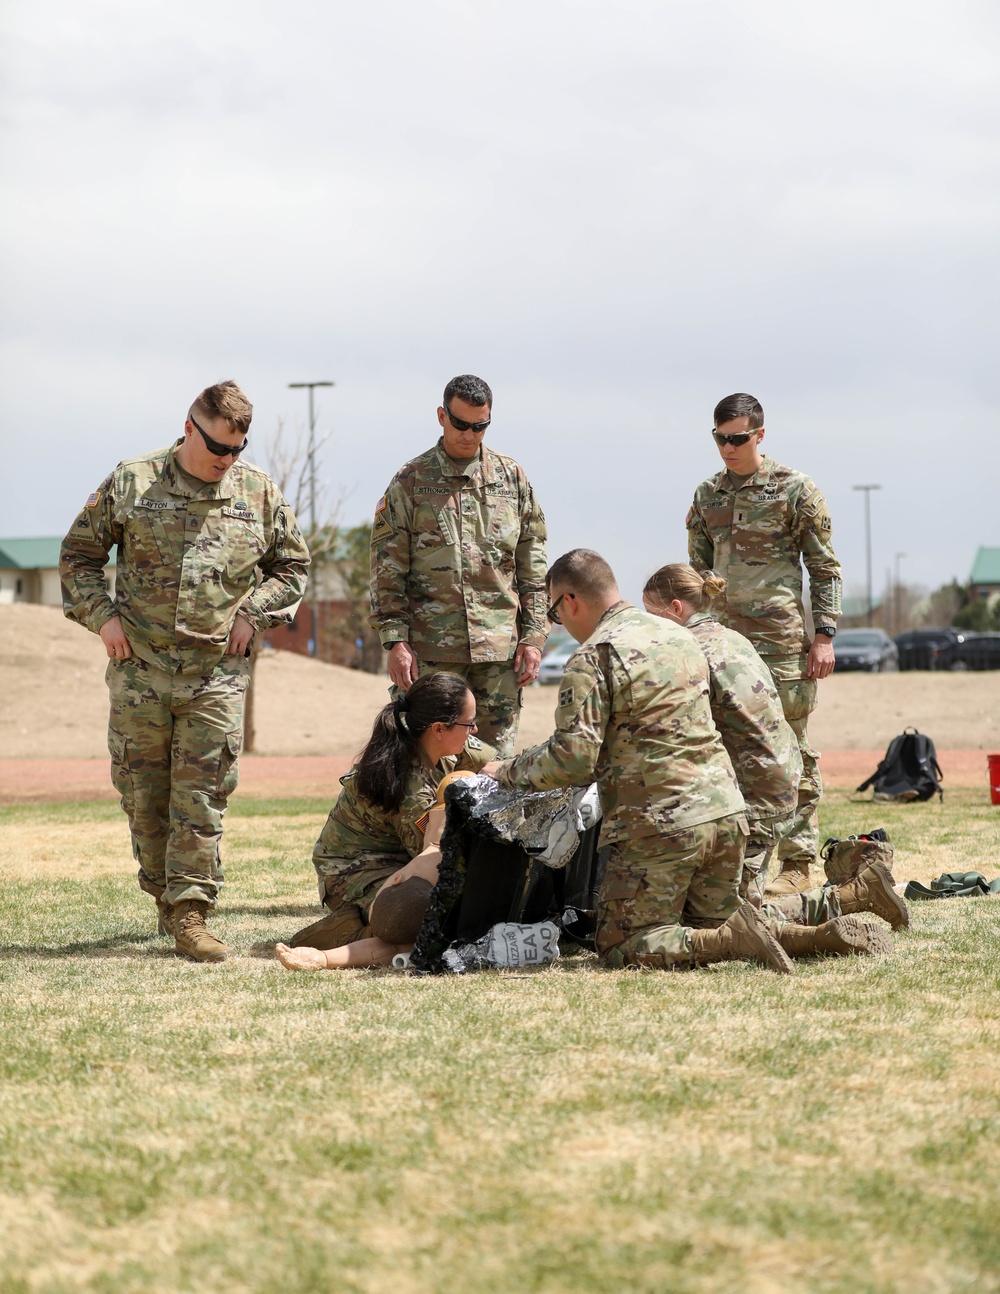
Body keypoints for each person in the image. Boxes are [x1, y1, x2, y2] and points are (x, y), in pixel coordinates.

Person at [59, 380, 310, 961]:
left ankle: (192, 910)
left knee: (201, 797)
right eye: (219, 447)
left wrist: (254, 612)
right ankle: (164, 896)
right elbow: (78, 557)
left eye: (237, 450)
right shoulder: (132, 480)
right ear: (189, 427)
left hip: (216, 673)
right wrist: (104, 619)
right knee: (143, 797)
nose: (227, 460)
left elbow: (291, 568)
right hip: (140, 666)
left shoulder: (258, 492)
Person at [484, 548, 795, 974]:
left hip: (662, 827)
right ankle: (823, 922)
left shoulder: (595, 656)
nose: (561, 624)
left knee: (620, 945)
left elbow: (573, 760)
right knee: (703, 927)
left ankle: (735, 937)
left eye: (556, 613)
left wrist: (506, 769)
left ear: (570, 600)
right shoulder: (679, 636)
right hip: (726, 818)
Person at [642, 563, 895, 960]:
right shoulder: (732, 638)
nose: (649, 627)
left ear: (675, 608)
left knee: (718, 924)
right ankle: (858, 893)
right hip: (779, 785)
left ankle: (837, 913)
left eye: (651, 615)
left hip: (752, 800)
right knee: (727, 912)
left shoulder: (687, 650)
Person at [686, 392, 842, 896]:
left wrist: (824, 636)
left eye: (738, 438)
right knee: (728, 748)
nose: (728, 448)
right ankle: (739, 866)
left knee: (791, 750)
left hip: (779, 643)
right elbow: (699, 574)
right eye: (720, 438)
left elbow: (824, 568)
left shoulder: (795, 489)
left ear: (760, 434)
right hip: (723, 644)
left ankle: (798, 865)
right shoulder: (707, 494)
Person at [369, 374, 548, 756]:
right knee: (426, 758)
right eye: (461, 423)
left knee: (495, 763)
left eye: (480, 426)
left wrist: (533, 637)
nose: (469, 434)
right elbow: (387, 569)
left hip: (498, 655)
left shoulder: (512, 479)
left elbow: (533, 565)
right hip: (432, 652)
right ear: (441, 416)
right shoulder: (410, 481)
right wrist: (395, 641)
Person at [284, 672, 494, 954]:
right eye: (469, 723)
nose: (475, 730)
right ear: (439, 729)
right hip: (352, 872)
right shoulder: (409, 785)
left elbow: (499, 765)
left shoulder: (438, 742)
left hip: (396, 861)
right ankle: (348, 930)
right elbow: (433, 857)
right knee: (428, 923)